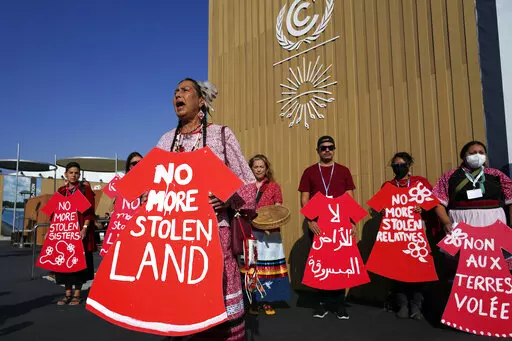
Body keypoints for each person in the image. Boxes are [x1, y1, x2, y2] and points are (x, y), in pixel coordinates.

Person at [157, 78, 256, 341]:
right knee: (178, 311)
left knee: (218, 310)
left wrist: (226, 198)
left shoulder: (221, 134)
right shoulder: (165, 141)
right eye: (175, 90)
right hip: (174, 239)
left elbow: (247, 183)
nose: (178, 94)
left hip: (214, 234)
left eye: (185, 90)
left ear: (201, 100)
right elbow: (151, 187)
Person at [298, 135, 356, 320]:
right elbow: (304, 198)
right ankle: (321, 305)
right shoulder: (309, 172)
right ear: (318, 150)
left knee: (340, 263)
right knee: (321, 263)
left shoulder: (343, 170)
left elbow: (349, 198)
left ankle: (339, 305)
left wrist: (352, 221)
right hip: (318, 224)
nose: (327, 150)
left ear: (334, 149)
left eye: (330, 147)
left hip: (339, 224)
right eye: (323, 148)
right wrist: (310, 220)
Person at [432, 141, 512, 274]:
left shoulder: (496, 175)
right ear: (464, 156)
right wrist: (446, 222)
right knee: (465, 266)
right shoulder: (450, 176)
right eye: (473, 153)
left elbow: (510, 201)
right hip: (461, 223)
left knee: (494, 264)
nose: (477, 155)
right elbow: (437, 201)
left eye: (481, 152)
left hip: (493, 222)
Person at [381, 152, 433, 320]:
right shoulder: (388, 185)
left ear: (409, 165)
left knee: (418, 269)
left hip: (416, 231)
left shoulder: (420, 182)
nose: (398, 168)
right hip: (397, 233)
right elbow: (380, 207)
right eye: (395, 165)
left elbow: (432, 202)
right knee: (398, 269)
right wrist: (383, 210)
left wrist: (422, 207)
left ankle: (416, 305)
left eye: (402, 164)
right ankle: (402, 304)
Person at [244, 154, 291, 316]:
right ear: (251, 169)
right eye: (255, 166)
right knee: (252, 267)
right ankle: (253, 301)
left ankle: (268, 301)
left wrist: (272, 224)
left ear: (267, 169)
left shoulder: (274, 187)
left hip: (270, 234)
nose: (258, 169)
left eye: (261, 166)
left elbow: (278, 209)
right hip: (250, 232)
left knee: (268, 268)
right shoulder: (245, 186)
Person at [55, 162, 96, 306]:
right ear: (66, 174)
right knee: (65, 264)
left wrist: (84, 228)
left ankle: (77, 294)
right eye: (71, 172)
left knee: (79, 263)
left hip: (80, 233)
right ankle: (67, 294)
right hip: (65, 235)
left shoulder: (85, 190)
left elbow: (89, 213)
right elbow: (55, 214)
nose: (74, 175)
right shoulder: (61, 191)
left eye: (76, 173)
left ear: (79, 174)